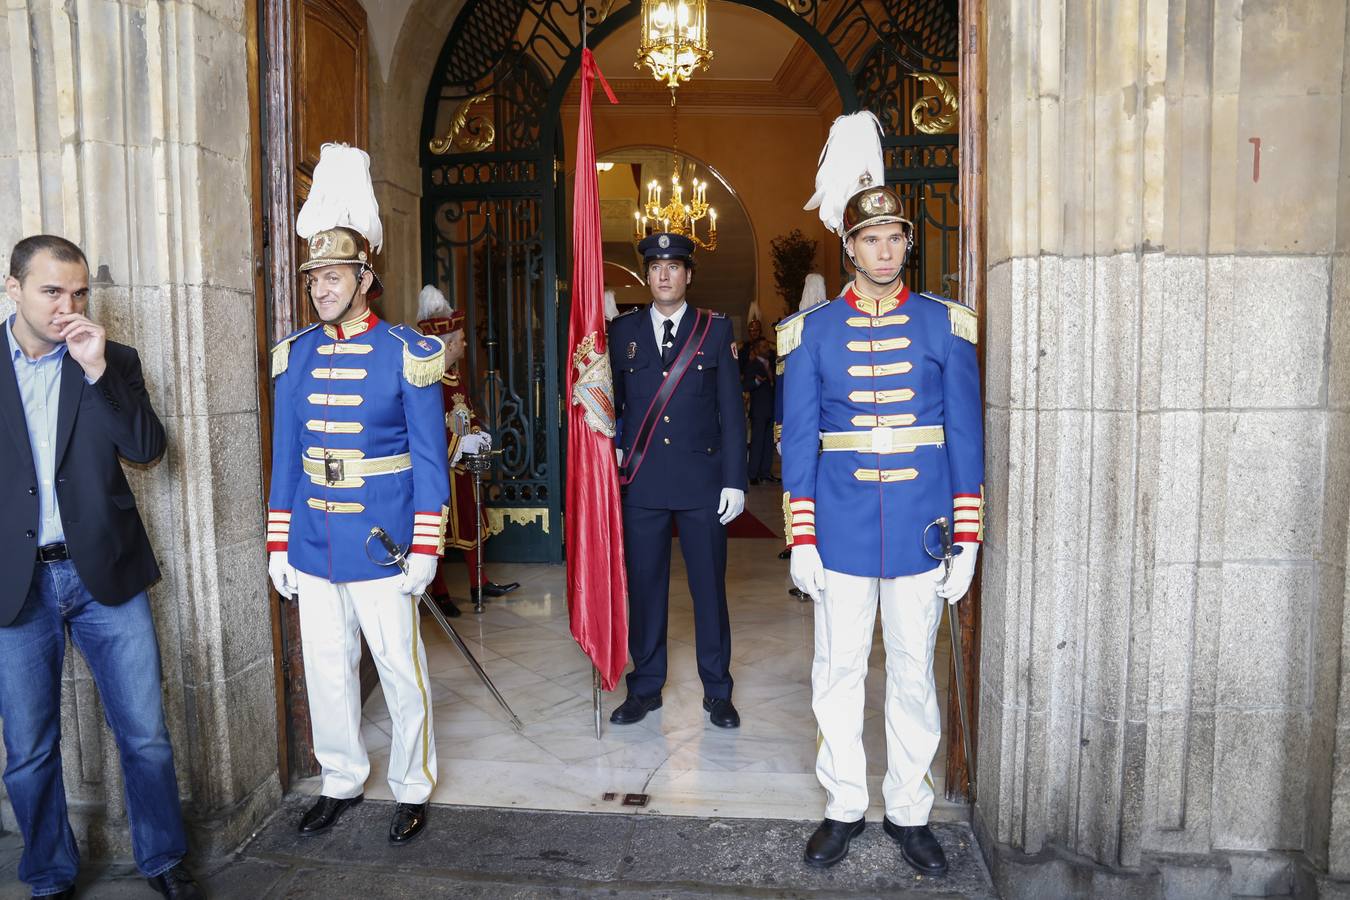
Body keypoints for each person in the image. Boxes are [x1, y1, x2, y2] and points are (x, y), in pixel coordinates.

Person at [780, 112, 983, 874]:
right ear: (849, 247)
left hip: (922, 530)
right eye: (871, 239)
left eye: (896, 237)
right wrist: (801, 534)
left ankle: (908, 810)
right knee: (835, 672)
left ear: (906, 243)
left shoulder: (945, 327)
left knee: (912, 672)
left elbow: (965, 438)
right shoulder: (813, 333)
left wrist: (966, 536)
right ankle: (841, 806)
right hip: (838, 529)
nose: (885, 249)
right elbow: (798, 442)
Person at [0, 235, 203, 899]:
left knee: (144, 735)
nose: (68, 306)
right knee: (29, 751)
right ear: (14, 290)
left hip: (105, 577)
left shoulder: (110, 360)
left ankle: (163, 859)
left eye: (79, 292)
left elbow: (147, 449)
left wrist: (95, 370)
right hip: (15, 586)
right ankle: (50, 874)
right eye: (51, 291)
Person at [266, 144, 449, 846]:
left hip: (383, 541)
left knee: (400, 672)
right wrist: (280, 540)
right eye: (315, 277)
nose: (321, 288)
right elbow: (287, 458)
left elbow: (430, 460)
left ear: (365, 276)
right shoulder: (296, 353)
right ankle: (341, 778)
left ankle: (412, 783)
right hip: (314, 539)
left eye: (334, 275)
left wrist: (426, 544)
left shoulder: (407, 351)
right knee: (328, 672)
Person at [607, 232, 747, 729]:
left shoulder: (714, 331)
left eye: (673, 266)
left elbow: (732, 412)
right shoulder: (621, 333)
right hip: (642, 483)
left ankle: (718, 691)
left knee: (709, 590)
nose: (663, 275)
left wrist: (735, 480)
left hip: (702, 483)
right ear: (646, 276)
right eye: (655, 268)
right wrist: (613, 448)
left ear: (688, 275)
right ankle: (645, 688)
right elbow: (614, 407)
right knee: (645, 590)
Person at [416, 285, 519, 613]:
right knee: (440, 532)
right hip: (440, 469)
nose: (464, 343)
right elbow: (427, 430)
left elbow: (467, 411)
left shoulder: (454, 377)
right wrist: (459, 444)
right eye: (460, 339)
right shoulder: (427, 382)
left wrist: (478, 434)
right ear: (447, 344)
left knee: (475, 521)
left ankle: (479, 582)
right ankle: (439, 590)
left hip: (463, 467)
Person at [742, 336, 777, 485]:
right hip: (759, 410)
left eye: (767, 346)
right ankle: (753, 474)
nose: (766, 349)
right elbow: (745, 385)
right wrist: (756, 382)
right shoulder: (752, 365)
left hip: (771, 408)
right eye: (762, 347)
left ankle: (765, 472)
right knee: (757, 442)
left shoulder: (773, 364)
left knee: (769, 443)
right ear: (756, 350)